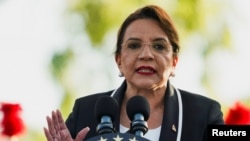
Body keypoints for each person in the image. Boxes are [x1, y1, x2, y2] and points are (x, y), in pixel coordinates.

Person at [43, 4, 224, 141]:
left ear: (174, 62)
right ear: (119, 61)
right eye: (134, 45)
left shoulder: (204, 114)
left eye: (159, 46)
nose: (146, 55)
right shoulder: (85, 111)